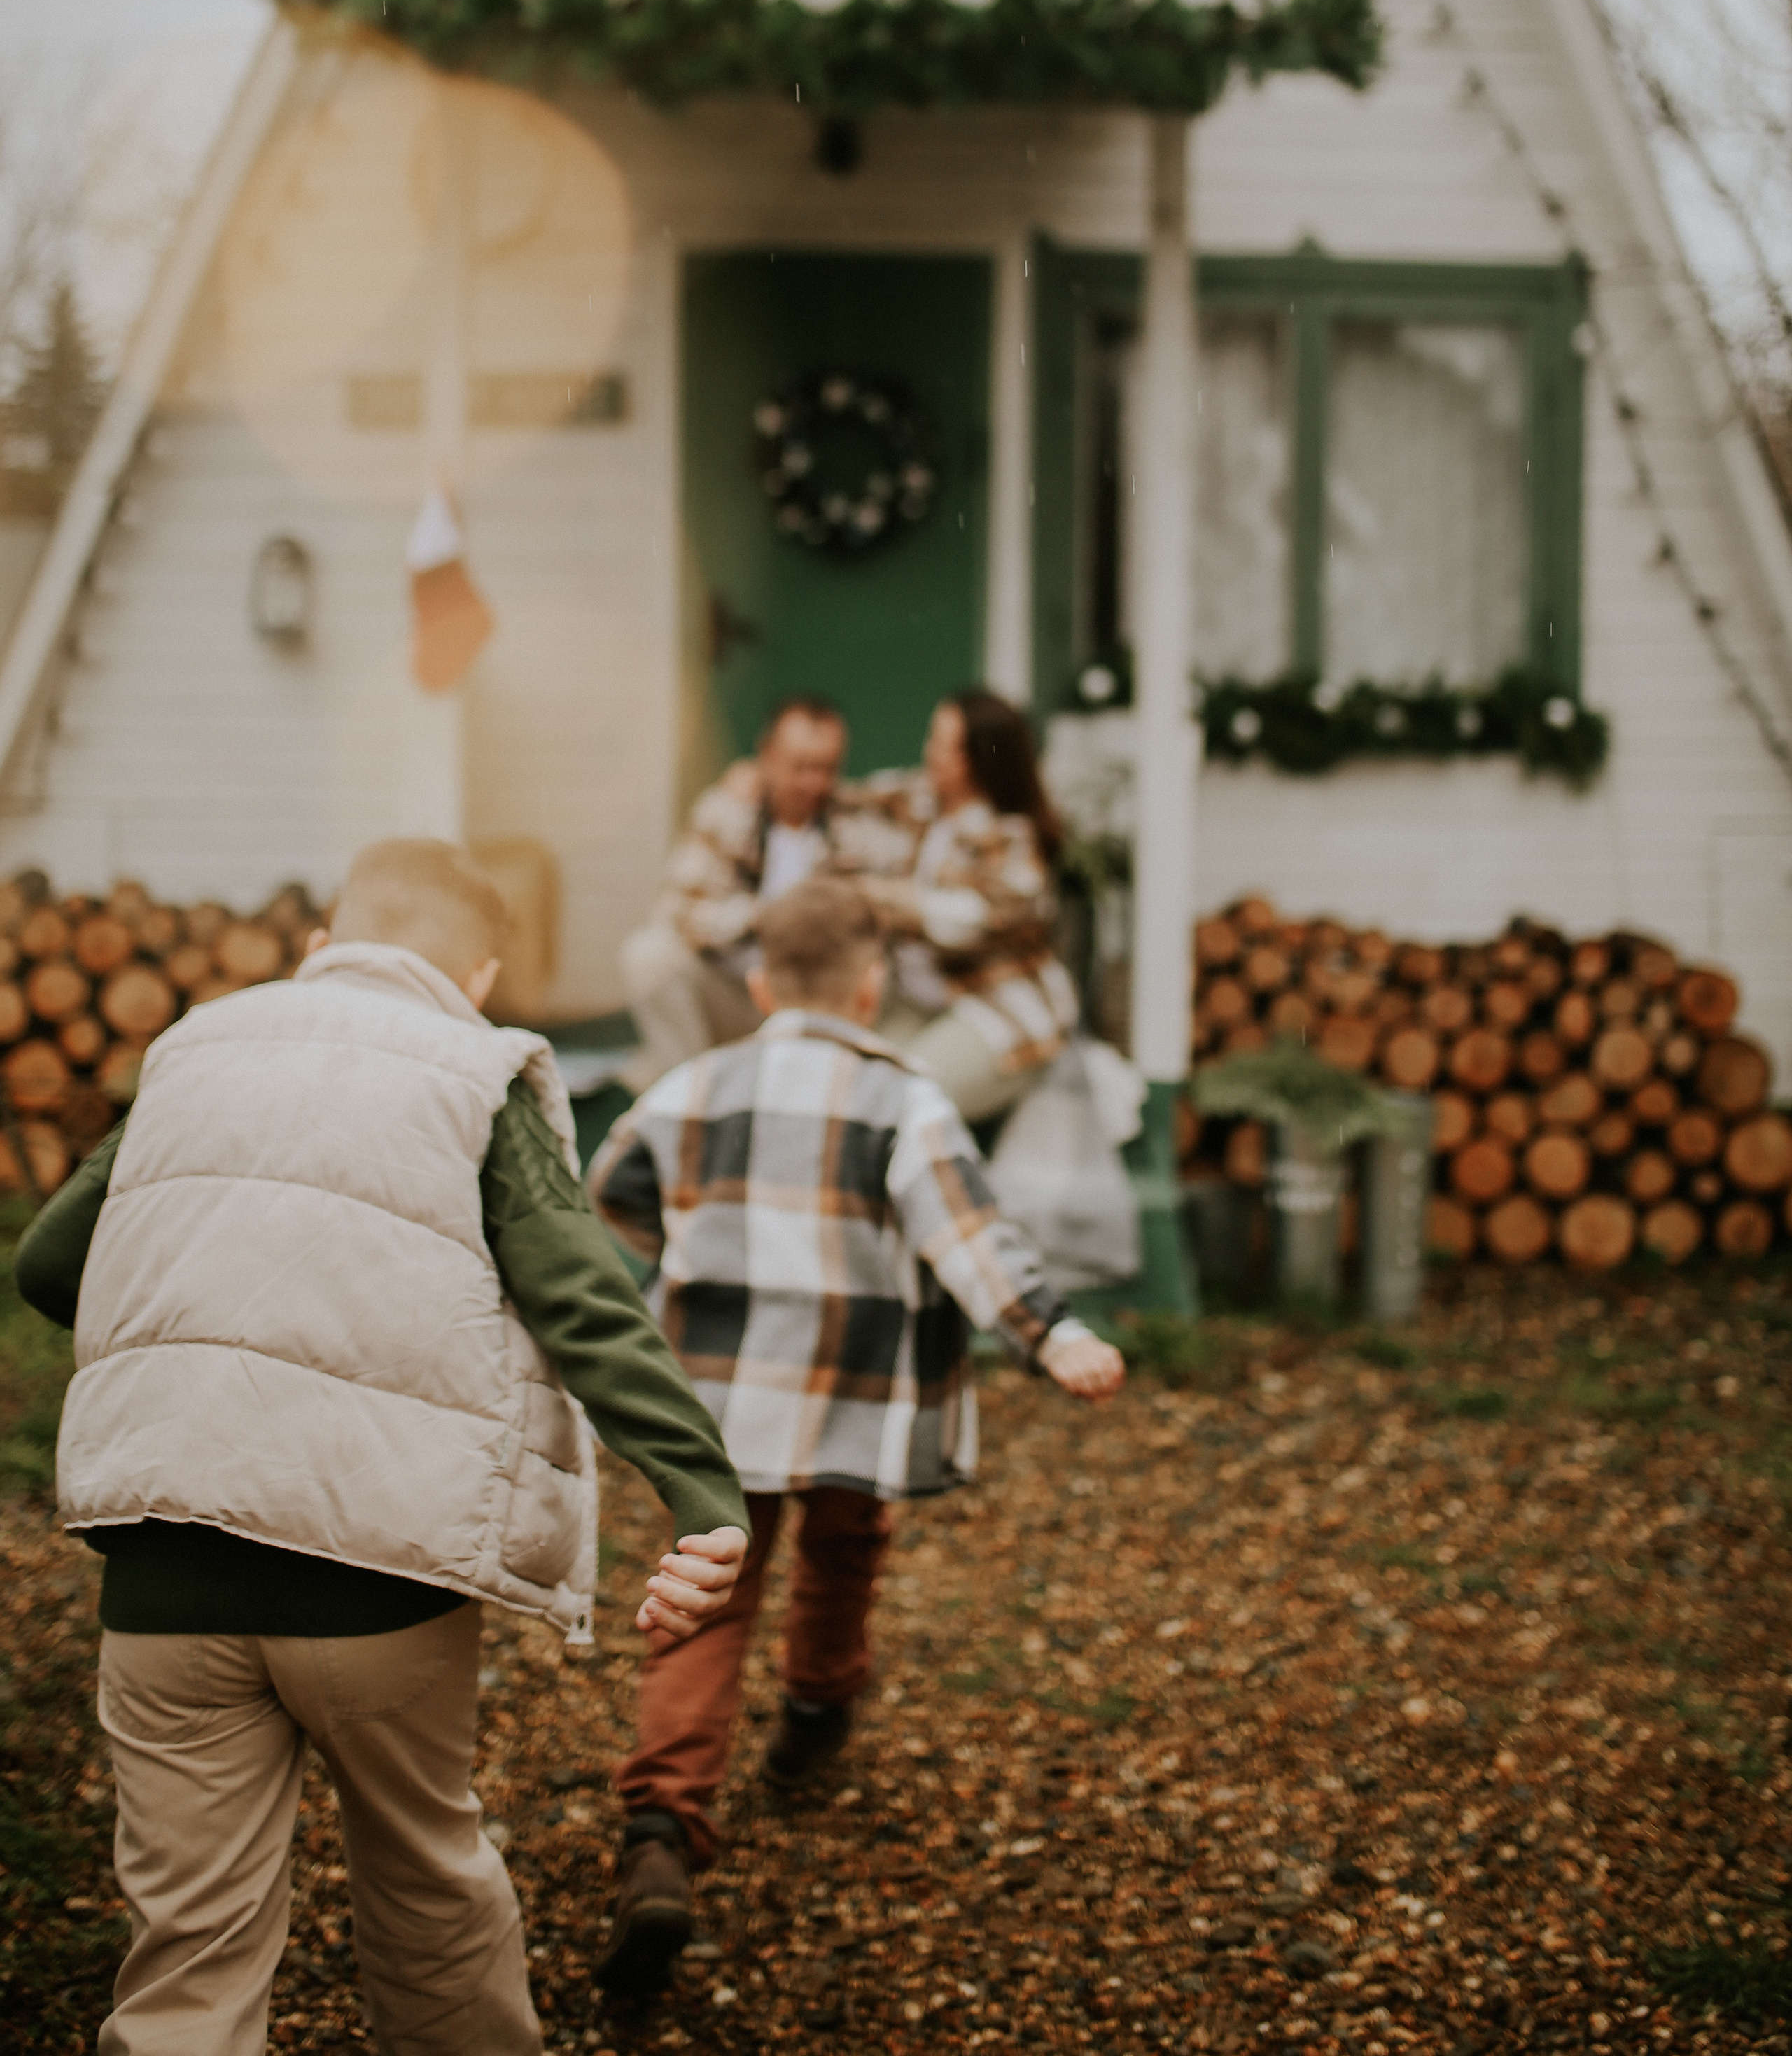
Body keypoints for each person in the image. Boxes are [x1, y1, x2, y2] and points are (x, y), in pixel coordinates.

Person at [15, 837, 751, 2056]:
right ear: (480, 975)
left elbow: (51, 1264)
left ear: (317, 948)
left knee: (187, 1947)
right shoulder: (472, 1071)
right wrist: (701, 1493)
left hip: (162, 1575)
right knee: (425, 1886)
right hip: (375, 1584)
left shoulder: (196, 1048)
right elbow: (587, 1305)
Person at [587, 874, 1125, 1992]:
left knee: (709, 1597)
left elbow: (612, 1191)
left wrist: (687, 1238)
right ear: (874, 988)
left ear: (758, 982)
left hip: (718, 1408)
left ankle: (661, 1831)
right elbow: (965, 1231)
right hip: (852, 1400)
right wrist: (1048, 1330)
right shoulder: (908, 1101)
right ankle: (819, 1706)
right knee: (845, 1548)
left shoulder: (691, 1088)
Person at [618, 694, 908, 1089]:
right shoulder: (725, 811)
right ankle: (693, 1095)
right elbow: (678, 911)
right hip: (739, 994)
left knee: (882, 973)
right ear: (767, 757)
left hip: (818, 1001)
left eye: (827, 768)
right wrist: (764, 916)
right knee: (649, 956)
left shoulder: (856, 826)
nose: (814, 783)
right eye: (801, 767)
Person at [862, 686, 1082, 1123]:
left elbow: (977, 918)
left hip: (997, 1009)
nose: (929, 752)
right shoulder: (919, 802)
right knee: (854, 1083)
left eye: (943, 744)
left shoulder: (1013, 837)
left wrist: (893, 901)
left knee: (907, 1099)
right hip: (917, 999)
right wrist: (758, 778)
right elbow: (844, 796)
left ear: (977, 759)